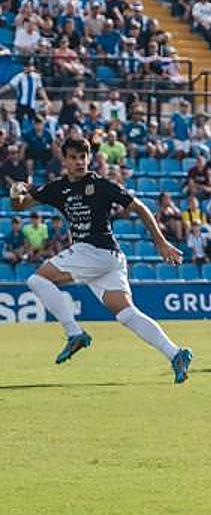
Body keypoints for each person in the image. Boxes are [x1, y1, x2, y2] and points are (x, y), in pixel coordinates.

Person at [9, 138, 193, 383]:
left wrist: (160, 242)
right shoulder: (57, 188)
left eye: (83, 157)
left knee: (37, 280)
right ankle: (176, 354)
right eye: (73, 157)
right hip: (108, 258)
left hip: (95, 251)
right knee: (126, 314)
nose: (79, 162)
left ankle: (74, 333)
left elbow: (138, 206)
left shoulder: (101, 184)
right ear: (64, 160)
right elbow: (20, 205)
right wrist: (15, 192)